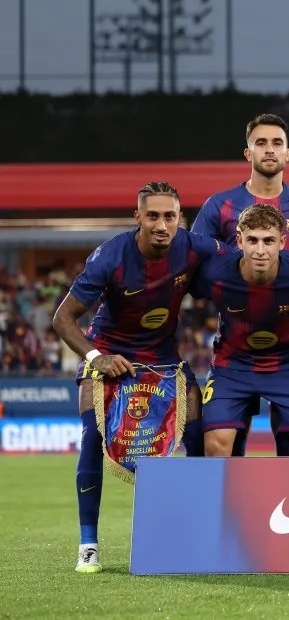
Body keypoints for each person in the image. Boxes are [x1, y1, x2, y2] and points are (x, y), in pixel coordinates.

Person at [51, 182, 224, 573]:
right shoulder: (109, 257)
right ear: (138, 218)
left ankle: (200, 533)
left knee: (198, 428)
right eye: (153, 216)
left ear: (180, 219)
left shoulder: (194, 246)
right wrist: (97, 357)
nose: (162, 225)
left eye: (170, 216)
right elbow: (62, 318)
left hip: (162, 358)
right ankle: (88, 545)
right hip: (110, 352)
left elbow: (246, 254)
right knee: (93, 435)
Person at [192, 113, 289, 458]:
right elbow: (192, 263)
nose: (269, 150)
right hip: (234, 346)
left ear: (288, 154)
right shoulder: (220, 205)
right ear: (248, 153)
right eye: (261, 143)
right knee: (222, 446)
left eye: (277, 143)